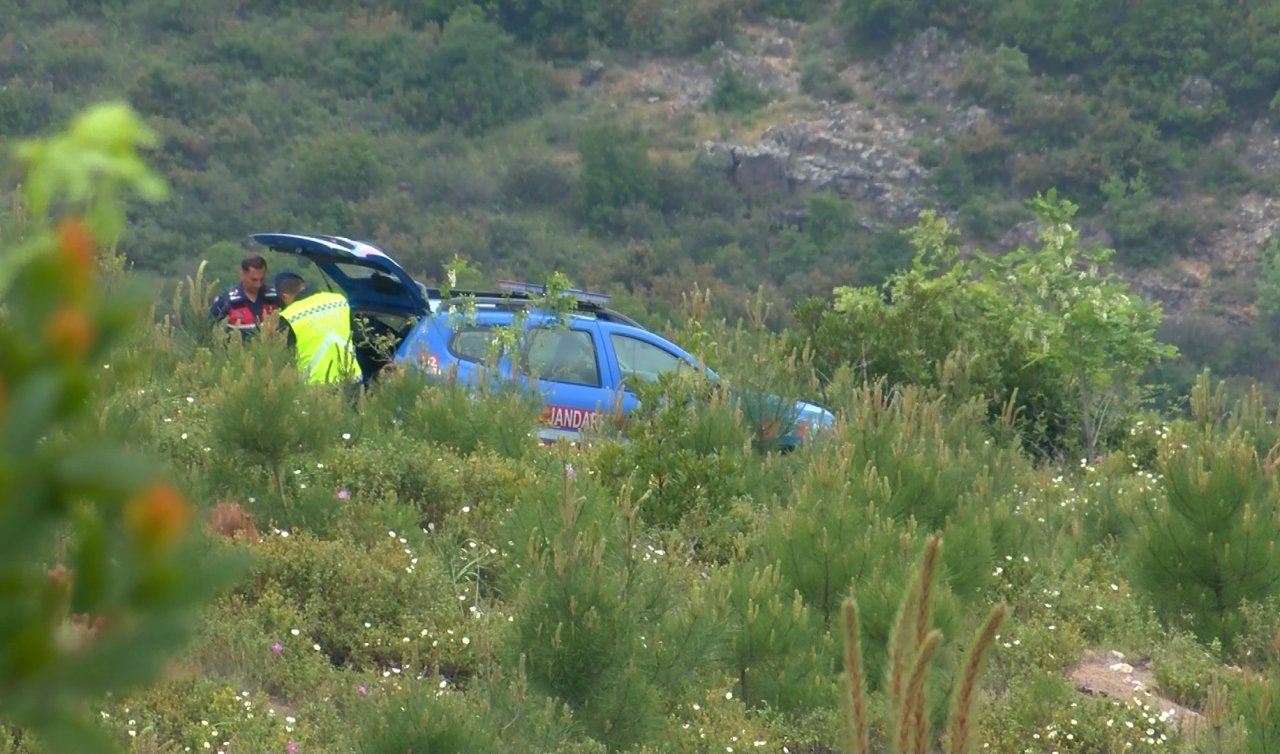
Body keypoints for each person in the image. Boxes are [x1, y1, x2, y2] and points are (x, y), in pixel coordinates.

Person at [273, 271, 364, 385]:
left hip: (317, 387)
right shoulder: (338, 300)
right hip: (352, 379)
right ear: (303, 285)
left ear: (284, 296)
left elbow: (282, 358)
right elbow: (359, 337)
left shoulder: (289, 316)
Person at [209, 255, 281, 337]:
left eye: (262, 279)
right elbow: (209, 329)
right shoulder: (227, 300)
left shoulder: (275, 297)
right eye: (254, 280)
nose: (258, 284)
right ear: (242, 275)